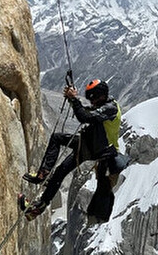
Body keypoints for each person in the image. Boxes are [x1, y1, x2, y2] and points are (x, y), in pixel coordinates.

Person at [19, 78, 122, 221]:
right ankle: (37, 208)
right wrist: (72, 99)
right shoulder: (106, 105)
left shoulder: (110, 108)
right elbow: (87, 112)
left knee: (57, 140)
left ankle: (43, 175)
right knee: (61, 170)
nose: (91, 102)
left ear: (100, 95)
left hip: (95, 148)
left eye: (92, 98)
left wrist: (73, 99)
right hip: (91, 145)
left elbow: (84, 117)